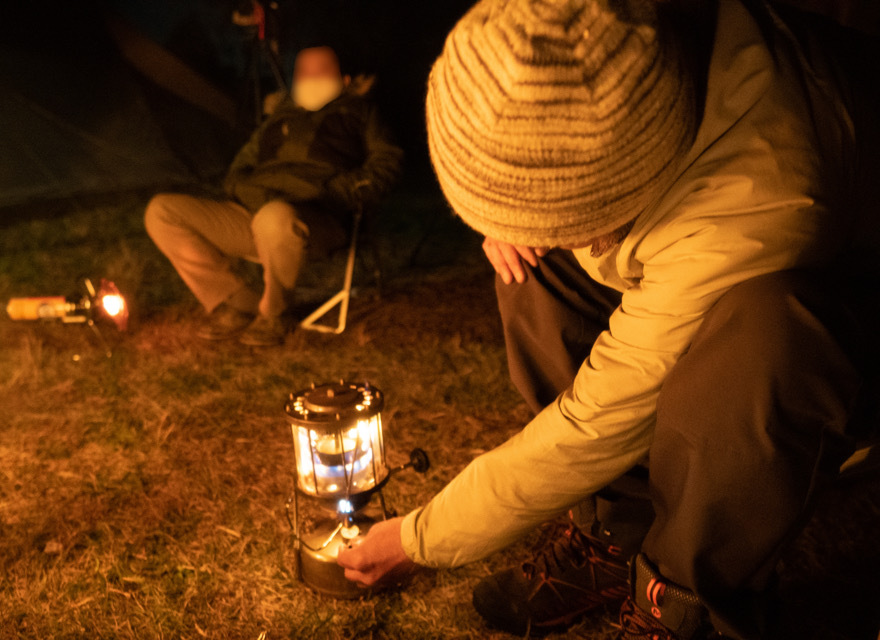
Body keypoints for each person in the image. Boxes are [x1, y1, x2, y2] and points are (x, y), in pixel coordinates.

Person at [337, 1, 880, 638]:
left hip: (847, 311)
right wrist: (509, 215)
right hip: (683, 225)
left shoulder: (754, 202)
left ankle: (681, 596)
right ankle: (616, 532)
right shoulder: (596, 38)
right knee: (531, 267)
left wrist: (420, 537)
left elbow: (598, 423)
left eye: (576, 216)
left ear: (627, 181)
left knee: (766, 336)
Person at [145, 46, 402, 346]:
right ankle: (238, 303)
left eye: (322, 70)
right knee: (162, 211)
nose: (312, 78)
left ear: (345, 80)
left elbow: (388, 162)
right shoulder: (280, 116)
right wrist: (243, 189)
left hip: (316, 216)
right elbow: (241, 165)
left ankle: (274, 314)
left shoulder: (361, 112)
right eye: (304, 71)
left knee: (275, 217)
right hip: (253, 211)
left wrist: (338, 192)